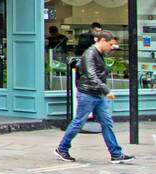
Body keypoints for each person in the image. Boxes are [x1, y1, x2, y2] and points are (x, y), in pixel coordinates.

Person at [56, 30, 135, 163]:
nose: (111, 48)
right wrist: (106, 91)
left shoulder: (98, 54)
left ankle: (116, 154)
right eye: (110, 44)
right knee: (78, 122)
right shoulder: (90, 54)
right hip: (88, 94)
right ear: (103, 40)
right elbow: (92, 76)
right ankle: (62, 148)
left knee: (106, 122)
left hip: (97, 94)